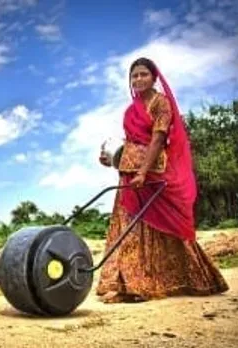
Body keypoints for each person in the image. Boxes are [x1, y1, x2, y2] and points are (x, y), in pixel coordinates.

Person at [96, 57, 229, 303]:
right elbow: (130, 143)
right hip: (129, 175)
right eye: (134, 75)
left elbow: (157, 140)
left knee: (161, 226)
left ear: (154, 77)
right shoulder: (130, 110)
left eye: (143, 74)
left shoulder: (161, 104)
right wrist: (112, 158)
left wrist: (144, 172)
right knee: (130, 228)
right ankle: (130, 284)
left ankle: (165, 282)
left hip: (152, 174)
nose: (138, 79)